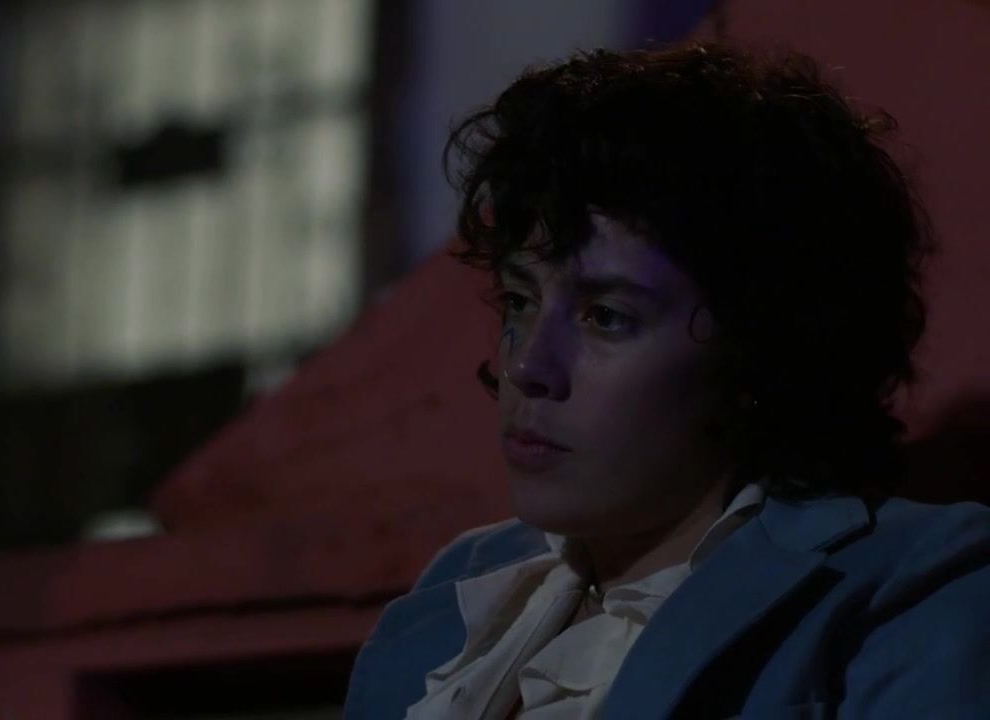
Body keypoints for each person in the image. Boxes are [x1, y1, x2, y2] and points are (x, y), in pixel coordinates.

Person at [343, 42, 990, 719]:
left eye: (606, 316)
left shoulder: (913, 586)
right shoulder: (466, 588)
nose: (529, 367)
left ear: (759, 347)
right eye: (520, 300)